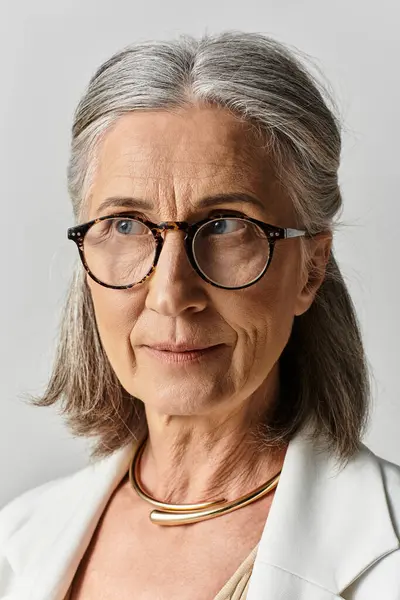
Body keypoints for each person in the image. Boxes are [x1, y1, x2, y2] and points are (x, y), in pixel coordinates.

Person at [0, 30, 399, 600]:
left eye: (228, 225)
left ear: (310, 269)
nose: (171, 293)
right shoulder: (16, 542)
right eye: (126, 224)